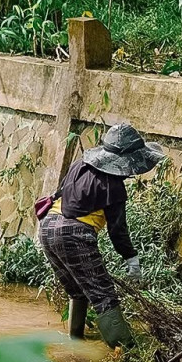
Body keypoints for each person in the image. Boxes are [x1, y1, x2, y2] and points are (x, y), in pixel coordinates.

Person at [39, 123, 165, 348]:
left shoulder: (80, 165)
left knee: (78, 290)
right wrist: (132, 260)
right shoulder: (114, 186)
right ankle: (127, 354)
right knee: (103, 295)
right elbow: (117, 230)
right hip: (73, 234)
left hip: (48, 227)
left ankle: (75, 343)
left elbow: (61, 193)